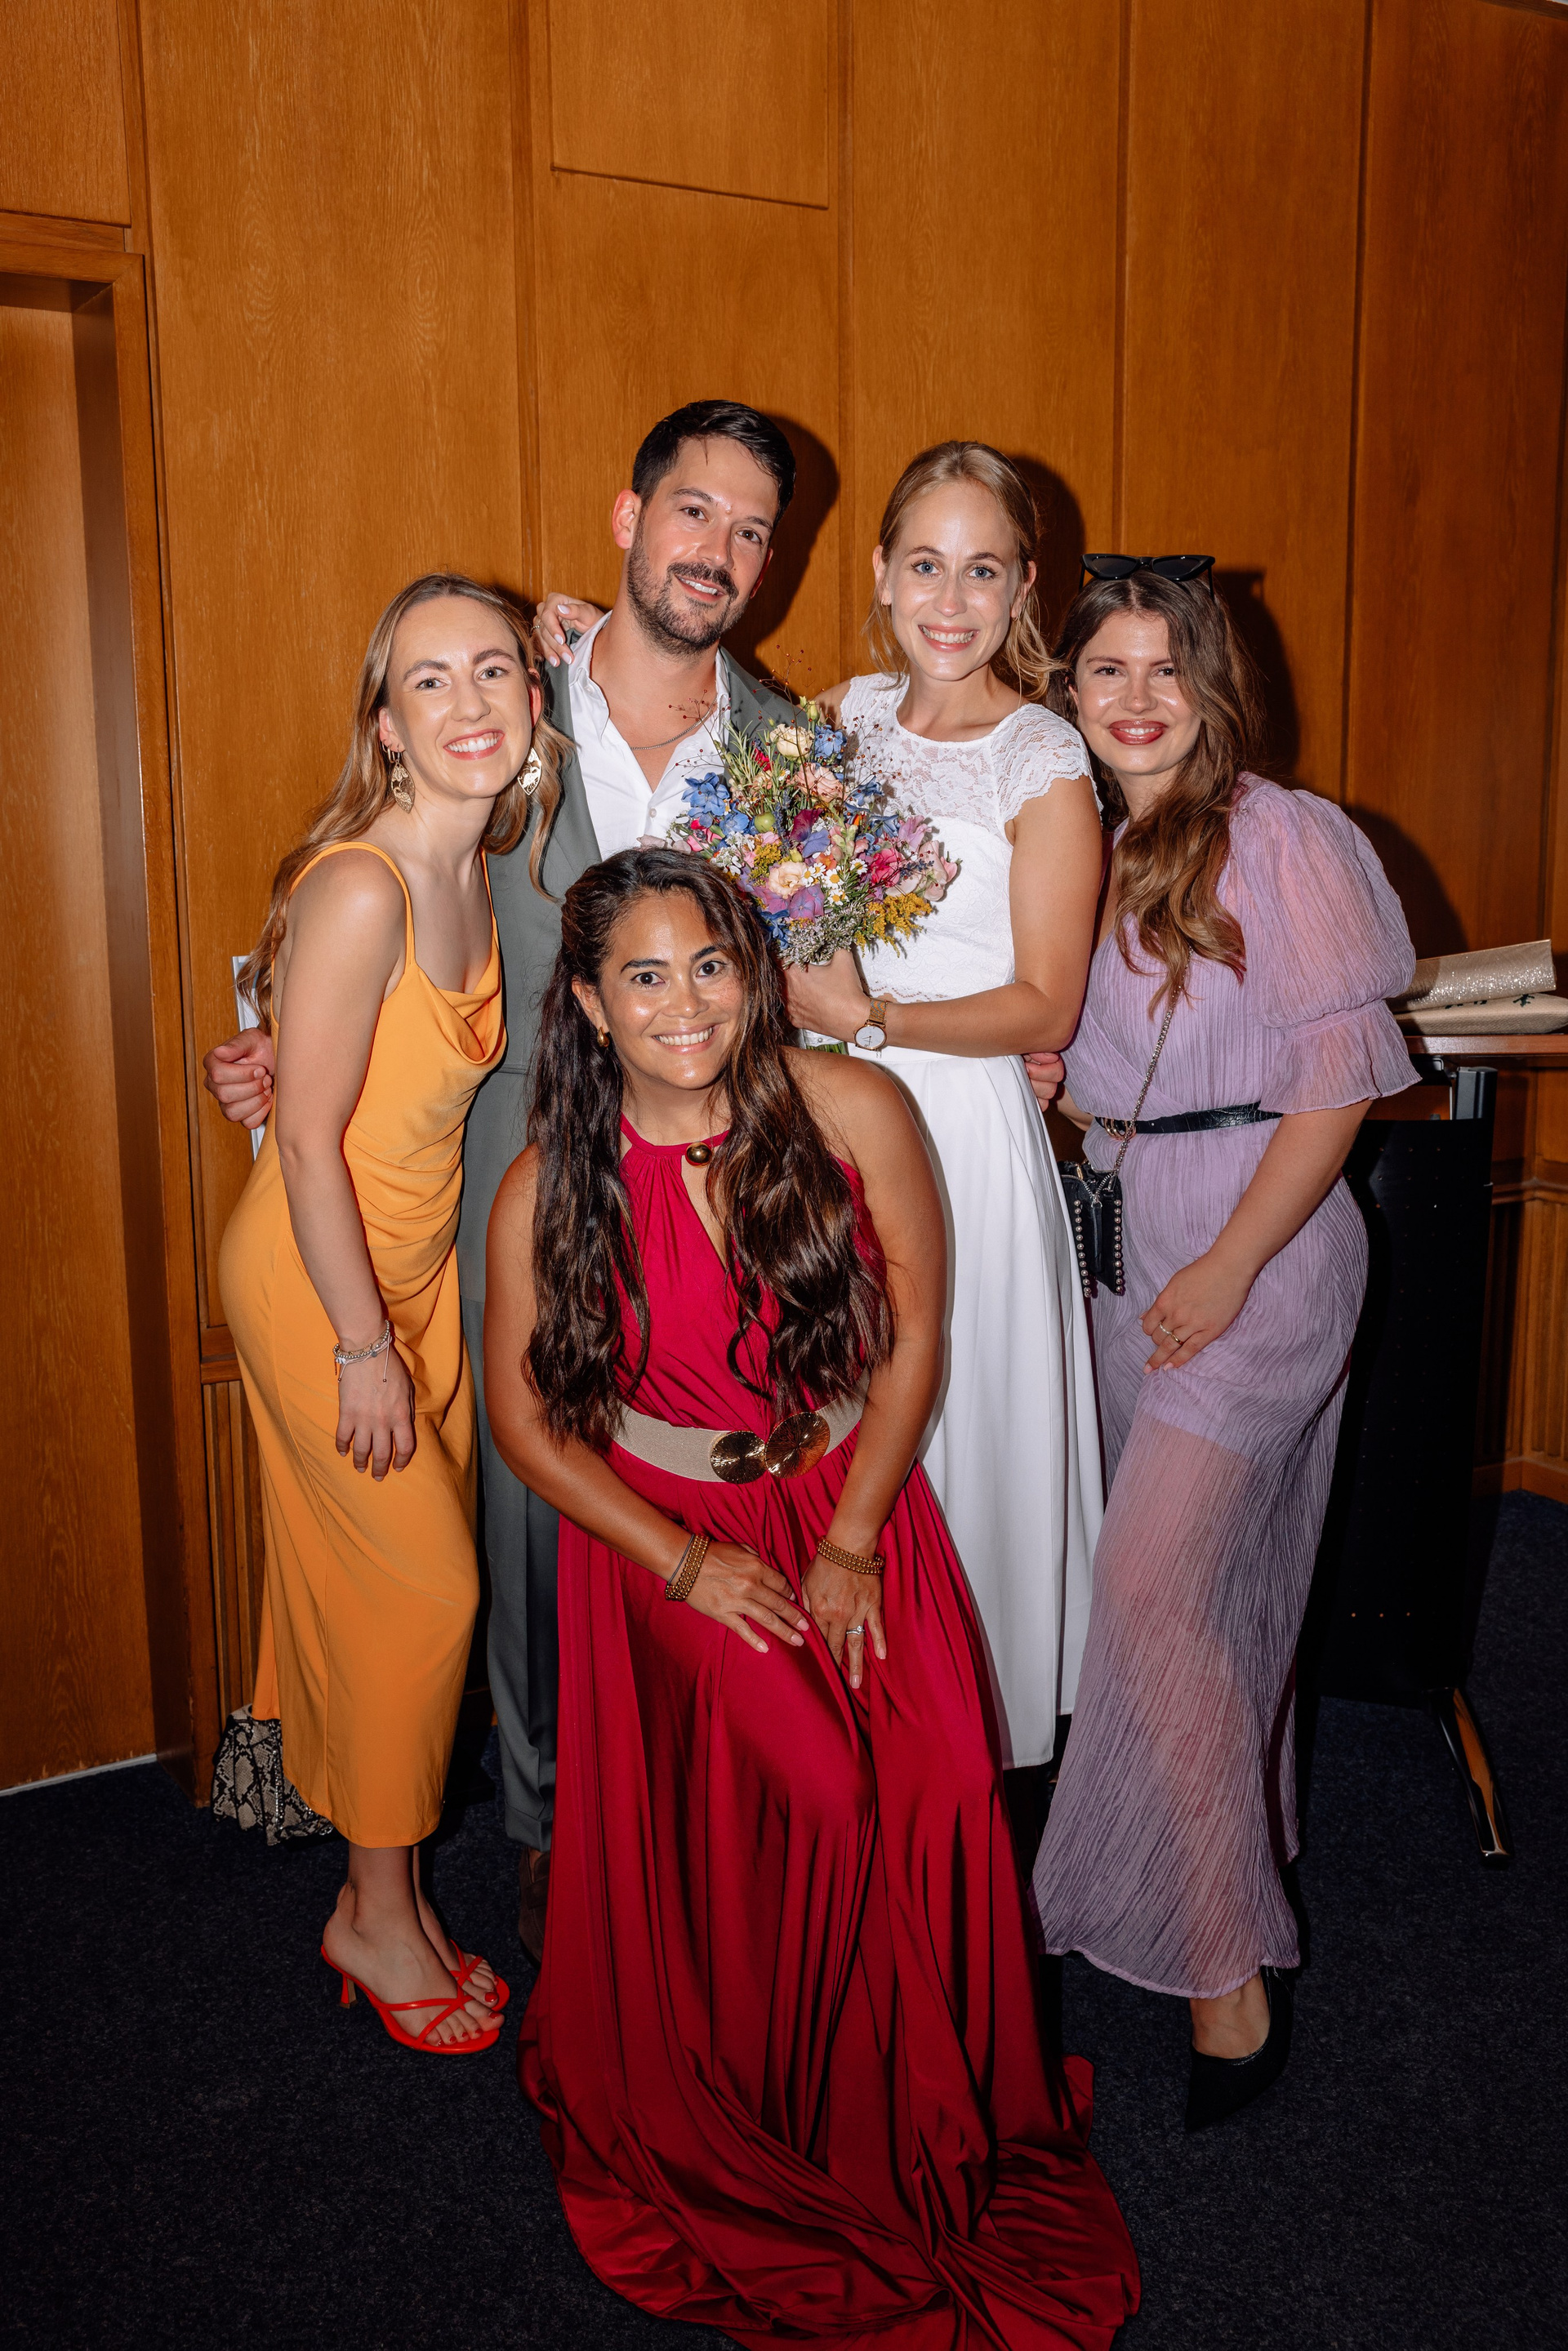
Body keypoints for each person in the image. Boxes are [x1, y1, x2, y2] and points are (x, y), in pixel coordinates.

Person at [483, 847, 1138, 2347]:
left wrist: (849, 1540)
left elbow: (914, 1338)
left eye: (712, 965)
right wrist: (684, 1563)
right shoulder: (548, 1185)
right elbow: (526, 1424)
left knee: (948, 1784)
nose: (687, 1004)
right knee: (826, 1798)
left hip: (851, 1504)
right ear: (587, 1003)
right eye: (645, 976)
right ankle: (796, 2124)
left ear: (757, 972)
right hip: (669, 1536)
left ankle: (931, 2113)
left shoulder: (853, 1110)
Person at [203, 400, 799, 1961]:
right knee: (507, 1542)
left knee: (700, 1471)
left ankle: (693, 1802)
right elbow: (347, 937)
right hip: (493, 1193)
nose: (717, 549)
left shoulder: (783, 747)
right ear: (630, 518)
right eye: (693, 511)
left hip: (712, 1183)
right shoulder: (522, 731)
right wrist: (275, 1064)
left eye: (750, 529)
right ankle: (538, 1829)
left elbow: (829, 953)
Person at [535, 443, 1106, 1791]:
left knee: (955, 1411)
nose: (951, 599)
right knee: (825, 1402)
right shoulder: (831, 721)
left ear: (1023, 586)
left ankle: (966, 1737)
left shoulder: (1044, 755)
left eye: (982, 570)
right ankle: (843, 1726)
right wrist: (574, 626)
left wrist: (873, 1019)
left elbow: (1049, 1001)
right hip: (805, 1115)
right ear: (882, 574)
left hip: (955, 1116)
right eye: (926, 565)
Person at [1025, 563, 1416, 2129]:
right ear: (1069, 691)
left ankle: (1228, 1978)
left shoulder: (1283, 834)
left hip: (1261, 1249)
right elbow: (1093, 1063)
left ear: (1214, 687)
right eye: (1105, 670)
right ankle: (1226, 1851)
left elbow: (1339, 1086)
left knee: (1150, 1589)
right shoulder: (1085, 845)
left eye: (1165, 670)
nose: (1136, 699)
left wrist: (1233, 1266)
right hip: (1129, 1248)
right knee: (1203, 1599)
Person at [218, 572, 559, 2050]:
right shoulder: (366, 881)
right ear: (386, 727)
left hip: (411, 1276)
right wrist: (363, 1346)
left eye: (495, 670)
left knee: (377, 1598)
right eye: (431, 680)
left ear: (533, 700)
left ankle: (398, 1898)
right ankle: (370, 1913)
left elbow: (295, 1049)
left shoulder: (482, 865)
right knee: (426, 1598)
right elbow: (304, 1142)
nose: (469, 702)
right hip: (325, 1288)